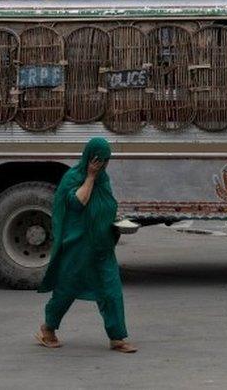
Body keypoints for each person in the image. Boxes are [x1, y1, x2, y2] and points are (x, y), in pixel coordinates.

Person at [34, 137, 137, 353]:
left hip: (102, 247)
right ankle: (47, 329)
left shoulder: (104, 179)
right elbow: (76, 202)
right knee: (66, 290)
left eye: (106, 161)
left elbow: (106, 204)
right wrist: (90, 177)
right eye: (99, 160)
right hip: (79, 248)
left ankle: (117, 338)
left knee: (112, 291)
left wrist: (115, 220)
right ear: (90, 158)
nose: (103, 166)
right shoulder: (75, 177)